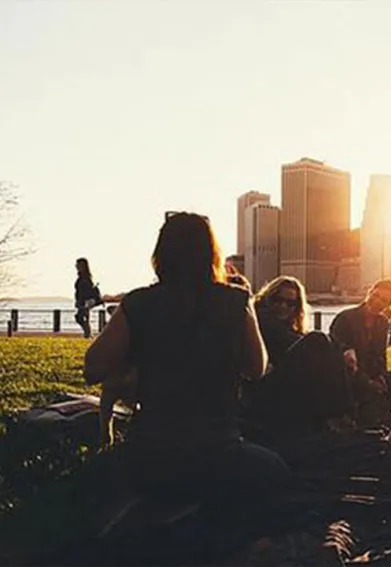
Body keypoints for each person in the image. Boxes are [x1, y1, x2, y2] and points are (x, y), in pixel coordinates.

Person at [83, 212, 290, 557]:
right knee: (276, 472)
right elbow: (257, 367)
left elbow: (93, 367)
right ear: (212, 253)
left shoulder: (138, 303)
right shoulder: (236, 301)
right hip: (218, 454)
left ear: (160, 254)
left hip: (150, 456)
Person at [242, 275, 354, 439]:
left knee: (327, 355)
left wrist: (345, 350)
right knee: (318, 341)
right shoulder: (262, 318)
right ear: (267, 298)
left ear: (297, 307)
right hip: (261, 390)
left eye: (290, 303)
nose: (283, 306)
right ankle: (341, 415)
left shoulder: (285, 327)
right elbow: (293, 340)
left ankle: (341, 412)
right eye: (277, 300)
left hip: (278, 386)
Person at [329, 279, 391, 427]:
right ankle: (370, 395)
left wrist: (381, 377)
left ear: (388, 305)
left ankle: (376, 392)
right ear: (369, 293)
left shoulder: (382, 323)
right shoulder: (345, 318)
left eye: (383, 300)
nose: (377, 302)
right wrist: (368, 382)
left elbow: (381, 357)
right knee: (364, 389)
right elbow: (341, 356)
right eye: (375, 295)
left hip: (372, 375)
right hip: (348, 374)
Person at [74, 258, 102, 338]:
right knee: (83, 317)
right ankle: (88, 333)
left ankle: (88, 333)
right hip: (82, 300)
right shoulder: (82, 277)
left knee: (81, 317)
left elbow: (86, 290)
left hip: (85, 301)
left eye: (78, 265)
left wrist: (84, 301)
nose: (76, 266)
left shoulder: (85, 278)